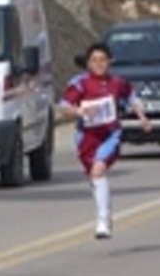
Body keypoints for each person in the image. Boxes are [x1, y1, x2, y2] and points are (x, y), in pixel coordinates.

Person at [60, 43, 152, 239]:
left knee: (98, 169)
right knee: (94, 176)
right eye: (94, 61)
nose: (99, 64)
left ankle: (103, 220)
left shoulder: (118, 82)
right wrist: (79, 111)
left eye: (103, 60)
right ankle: (104, 213)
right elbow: (64, 106)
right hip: (86, 136)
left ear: (110, 61)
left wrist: (142, 117)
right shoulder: (80, 83)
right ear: (88, 63)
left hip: (111, 135)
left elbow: (132, 98)